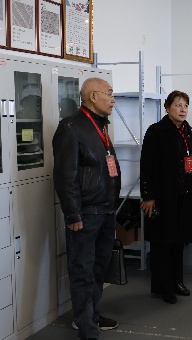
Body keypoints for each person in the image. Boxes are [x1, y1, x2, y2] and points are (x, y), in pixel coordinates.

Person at [53, 77, 120, 340]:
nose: (113, 99)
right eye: (109, 93)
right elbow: (65, 175)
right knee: (82, 269)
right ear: (93, 96)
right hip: (86, 213)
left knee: (99, 268)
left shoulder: (100, 126)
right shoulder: (71, 128)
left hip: (106, 210)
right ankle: (85, 326)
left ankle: (91, 314)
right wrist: (72, 214)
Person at [139, 91, 192, 305]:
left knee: (179, 241)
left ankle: (177, 281)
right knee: (163, 242)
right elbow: (146, 166)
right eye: (178, 105)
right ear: (167, 108)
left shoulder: (191, 134)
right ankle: (164, 286)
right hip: (163, 197)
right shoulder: (156, 132)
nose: (183, 109)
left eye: (185, 105)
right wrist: (148, 196)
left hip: (185, 198)